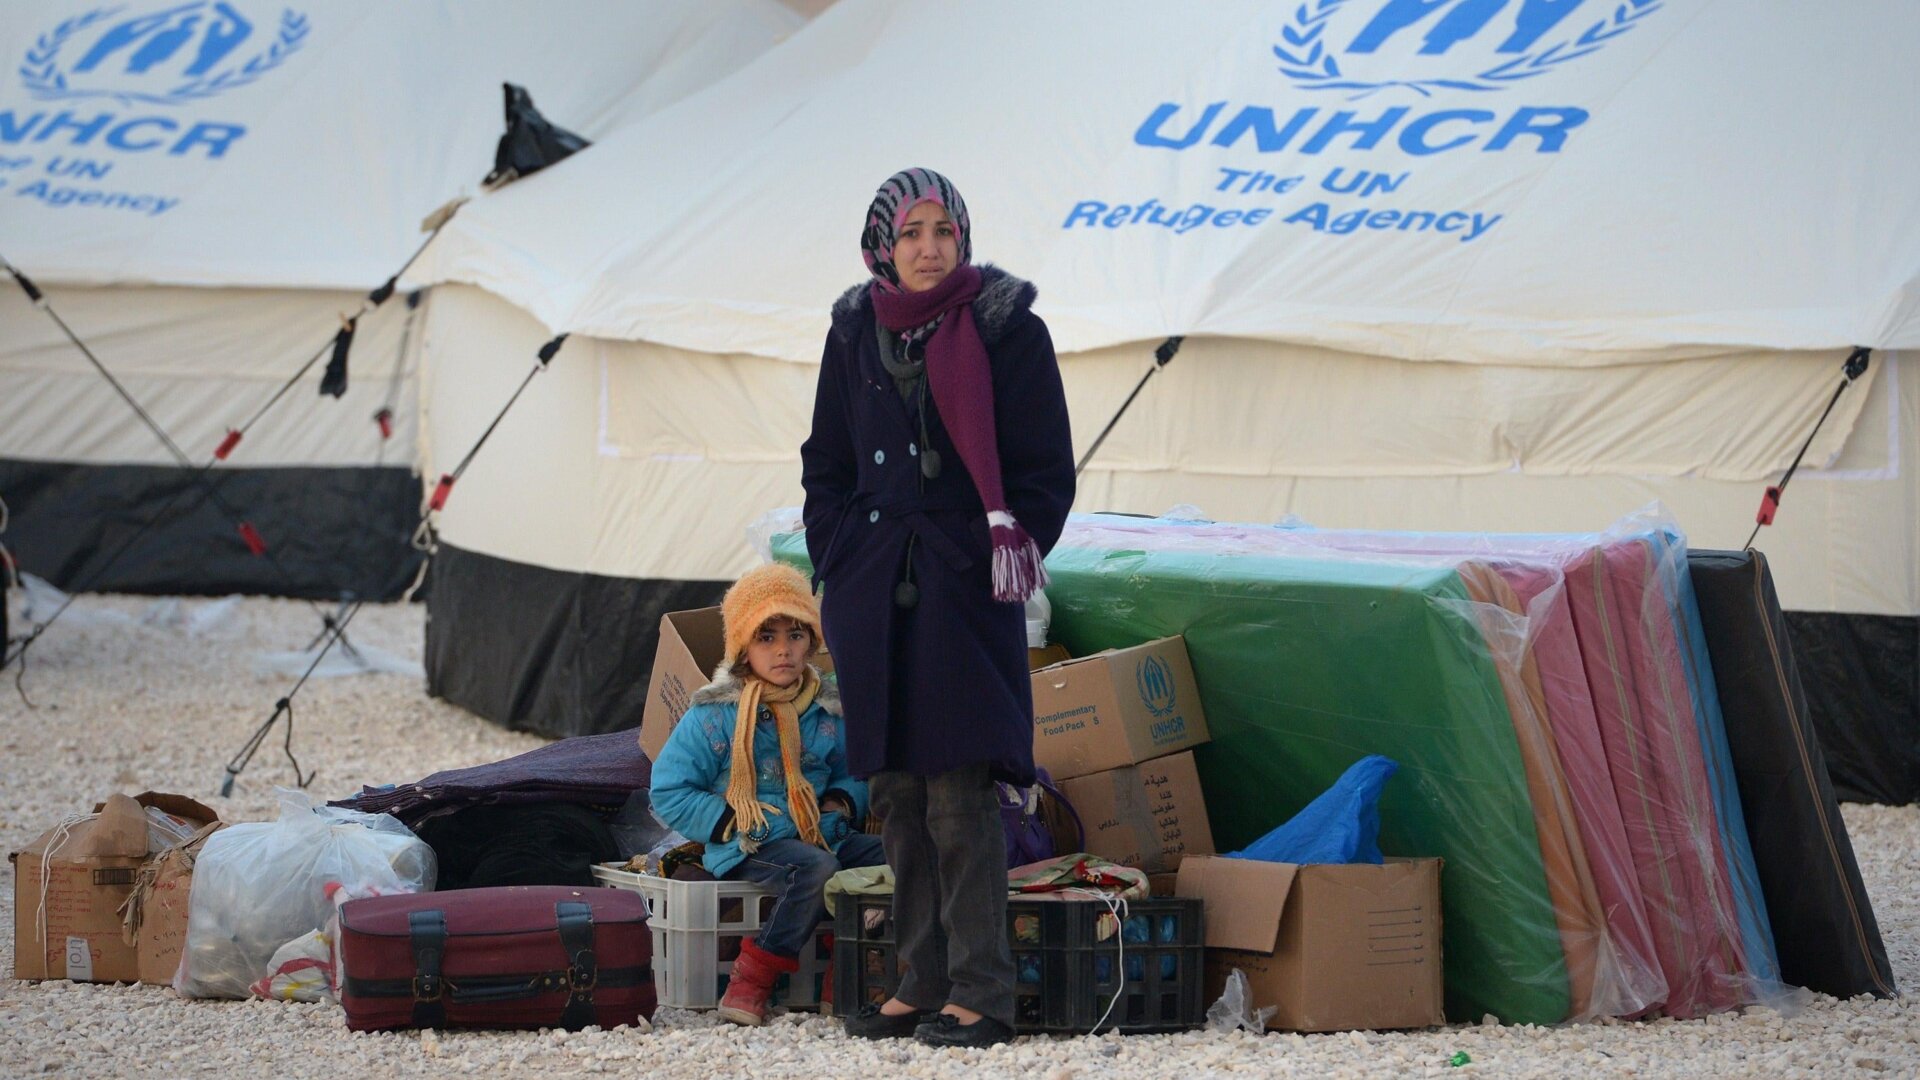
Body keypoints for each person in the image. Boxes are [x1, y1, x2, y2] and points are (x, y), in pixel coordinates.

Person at [801, 167, 1075, 1047]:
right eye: (911, 233)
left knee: (959, 790)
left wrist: (988, 548)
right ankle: (918, 981)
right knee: (896, 792)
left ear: (963, 238)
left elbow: (1044, 471)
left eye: (943, 233)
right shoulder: (853, 331)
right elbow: (826, 462)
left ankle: (982, 992)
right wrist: (839, 560)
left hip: (963, 585)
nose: (928, 248)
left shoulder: (1007, 330)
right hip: (873, 587)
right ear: (883, 243)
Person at [649, 562, 886, 1026]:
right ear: (742, 648)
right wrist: (732, 821)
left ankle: (847, 973)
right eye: (766, 637)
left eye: (796, 635)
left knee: (895, 855)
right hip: (749, 839)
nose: (784, 651)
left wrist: (841, 799)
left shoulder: (826, 708)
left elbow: (856, 770)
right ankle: (751, 979)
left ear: (813, 642)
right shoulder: (714, 715)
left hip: (822, 829)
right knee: (815, 869)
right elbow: (669, 788)